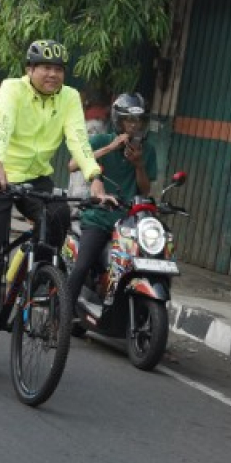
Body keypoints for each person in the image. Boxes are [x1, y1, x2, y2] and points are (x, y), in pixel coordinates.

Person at [0, 39, 109, 358]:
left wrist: (94, 177)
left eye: (59, 69)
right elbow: (2, 124)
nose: (53, 75)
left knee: (60, 216)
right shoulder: (12, 89)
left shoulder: (69, 98)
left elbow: (78, 138)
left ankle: (36, 281)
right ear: (30, 69)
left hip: (37, 176)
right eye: (46, 68)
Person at [65, 93, 158, 313]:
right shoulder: (101, 140)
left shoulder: (148, 151)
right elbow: (72, 164)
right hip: (98, 217)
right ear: (118, 120)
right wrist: (111, 147)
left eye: (139, 121)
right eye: (129, 120)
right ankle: (62, 315)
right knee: (82, 265)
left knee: (143, 264)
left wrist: (138, 165)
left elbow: (145, 189)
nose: (134, 125)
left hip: (128, 222)